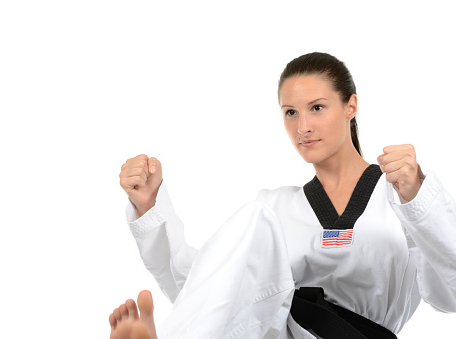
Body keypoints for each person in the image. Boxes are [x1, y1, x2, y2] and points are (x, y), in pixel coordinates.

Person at [110, 52, 456, 338]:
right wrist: (149, 207)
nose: (302, 126)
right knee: (255, 219)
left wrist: (419, 199)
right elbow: (204, 292)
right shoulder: (274, 208)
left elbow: (450, 294)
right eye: (291, 112)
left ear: (351, 106)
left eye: (317, 108)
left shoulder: (399, 196)